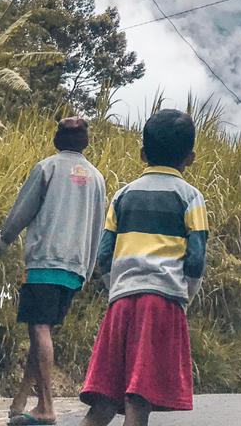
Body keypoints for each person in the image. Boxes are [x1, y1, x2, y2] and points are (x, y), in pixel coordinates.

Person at [78, 109, 208, 425]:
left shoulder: (122, 196)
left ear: (142, 154)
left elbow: (104, 256)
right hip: (163, 303)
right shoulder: (192, 198)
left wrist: (118, 287)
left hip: (121, 302)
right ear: (190, 158)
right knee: (139, 396)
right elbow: (195, 260)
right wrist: (182, 293)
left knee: (106, 397)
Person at [0, 116, 106, 426]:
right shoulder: (96, 178)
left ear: (57, 139)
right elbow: (98, 227)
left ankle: (47, 407)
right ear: (85, 143)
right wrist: (88, 270)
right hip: (75, 267)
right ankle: (22, 401)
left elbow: (21, 213)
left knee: (39, 328)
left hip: (45, 262)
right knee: (43, 331)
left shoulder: (47, 168)